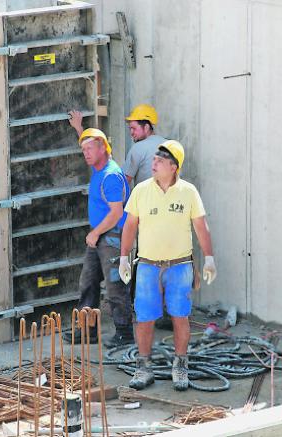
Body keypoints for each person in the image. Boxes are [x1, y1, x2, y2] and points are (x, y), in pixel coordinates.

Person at [118, 140, 217, 391]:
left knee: (180, 316)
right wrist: (124, 257)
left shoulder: (188, 192)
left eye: (159, 161)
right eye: (154, 160)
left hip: (180, 266)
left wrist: (209, 257)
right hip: (148, 266)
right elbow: (130, 225)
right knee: (145, 317)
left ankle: (180, 365)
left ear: (173, 167)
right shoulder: (141, 190)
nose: (153, 164)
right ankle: (143, 367)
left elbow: (201, 227)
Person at [62, 128, 135, 348]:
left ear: (103, 148)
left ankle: (124, 333)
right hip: (100, 236)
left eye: (90, 148)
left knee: (115, 285)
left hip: (111, 236)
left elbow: (116, 213)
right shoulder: (99, 169)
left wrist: (94, 233)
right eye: (83, 149)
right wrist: (79, 127)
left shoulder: (111, 176)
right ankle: (87, 330)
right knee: (88, 281)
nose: (85, 153)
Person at [68, 104, 167, 185]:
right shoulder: (167, 144)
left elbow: (121, 183)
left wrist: (79, 128)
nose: (131, 133)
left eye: (134, 128)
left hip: (147, 205)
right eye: (130, 129)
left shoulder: (138, 148)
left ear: (146, 127)